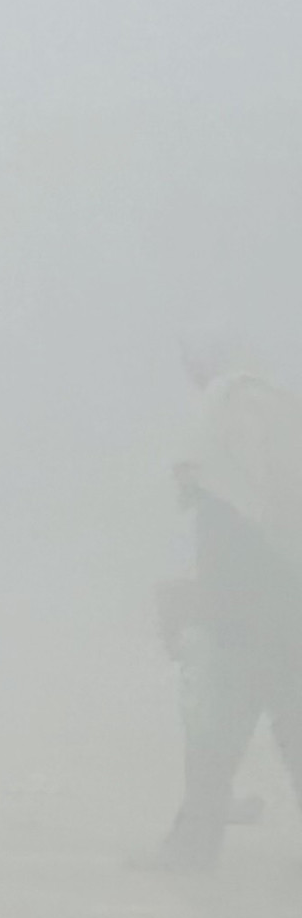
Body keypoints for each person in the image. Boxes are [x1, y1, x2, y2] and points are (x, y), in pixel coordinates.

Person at [140, 333, 302, 870]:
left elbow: (237, 544)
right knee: (270, 725)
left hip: (252, 612)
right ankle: (191, 844)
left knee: (223, 732)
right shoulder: (265, 411)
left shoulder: (231, 421)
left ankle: (191, 847)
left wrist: (213, 607)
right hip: (269, 607)